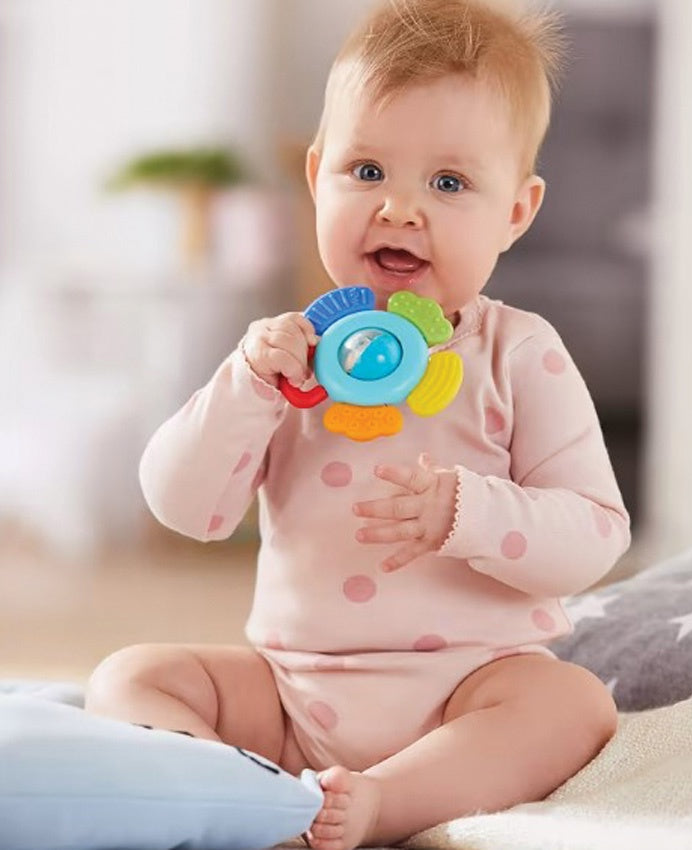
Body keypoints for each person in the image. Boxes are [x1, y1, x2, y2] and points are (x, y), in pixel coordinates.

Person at [85, 1, 631, 848]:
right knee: (131, 677)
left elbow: (595, 536)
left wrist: (468, 511)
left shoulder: (519, 352)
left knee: (571, 705)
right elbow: (185, 509)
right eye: (367, 171)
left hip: (467, 692)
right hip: (294, 697)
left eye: (448, 184)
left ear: (515, 212)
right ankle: (245, 798)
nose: (400, 210)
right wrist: (245, 386)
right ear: (316, 177)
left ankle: (379, 802)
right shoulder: (286, 358)